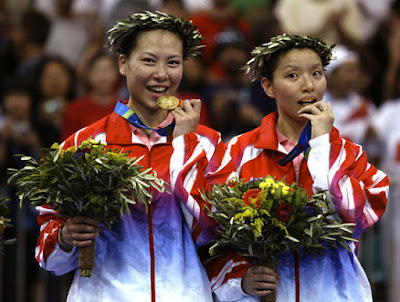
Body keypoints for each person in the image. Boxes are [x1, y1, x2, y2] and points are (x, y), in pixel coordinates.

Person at [34, 11, 236, 302]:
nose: (162, 74)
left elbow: (219, 231)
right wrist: (66, 236)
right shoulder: (85, 144)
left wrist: (186, 144)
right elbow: (48, 253)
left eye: (173, 62)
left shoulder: (208, 143)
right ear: (123, 64)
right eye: (149, 60)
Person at [207, 34, 390, 301]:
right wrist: (240, 278)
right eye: (293, 76)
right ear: (269, 87)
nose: (308, 86)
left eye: (317, 73)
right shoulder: (237, 152)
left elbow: (357, 219)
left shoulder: (349, 153)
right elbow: (213, 235)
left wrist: (322, 146)